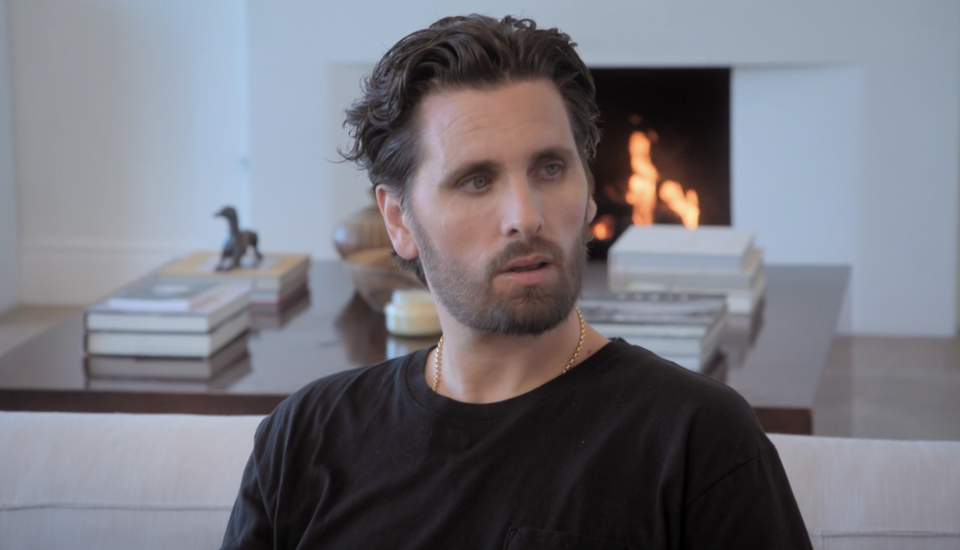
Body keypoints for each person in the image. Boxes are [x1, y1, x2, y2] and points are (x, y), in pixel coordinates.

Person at [221, 14, 813, 549]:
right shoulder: (303, 439)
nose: (526, 216)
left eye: (550, 168)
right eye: (477, 180)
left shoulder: (699, 440)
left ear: (586, 194)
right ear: (399, 221)